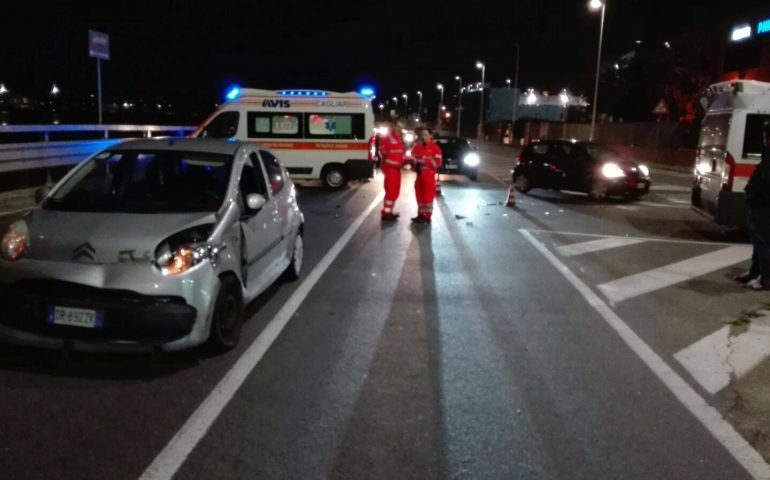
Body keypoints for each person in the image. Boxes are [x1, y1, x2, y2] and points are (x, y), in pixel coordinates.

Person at [736, 120, 770, 289]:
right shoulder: (767, 156)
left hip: (764, 208)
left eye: (765, 136)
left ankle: (765, 279)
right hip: (759, 206)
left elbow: (766, 184)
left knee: (764, 243)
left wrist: (755, 198)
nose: (764, 139)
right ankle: (755, 272)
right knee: (758, 243)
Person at [410, 127, 442, 224]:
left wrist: (425, 162)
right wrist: (414, 162)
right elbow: (412, 157)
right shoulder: (417, 147)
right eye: (422, 135)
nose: (423, 137)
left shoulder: (435, 148)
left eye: (425, 135)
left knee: (427, 197)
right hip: (419, 176)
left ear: (430, 136)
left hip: (428, 176)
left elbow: (438, 163)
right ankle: (420, 214)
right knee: (419, 196)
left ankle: (427, 217)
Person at [378, 121, 406, 221]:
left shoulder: (399, 138)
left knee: (394, 192)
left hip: (396, 169)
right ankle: (386, 213)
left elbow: (401, 153)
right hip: (390, 168)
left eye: (401, 127)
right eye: (398, 127)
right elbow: (383, 151)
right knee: (391, 191)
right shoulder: (388, 137)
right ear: (393, 126)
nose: (399, 129)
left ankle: (389, 211)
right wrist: (390, 162)